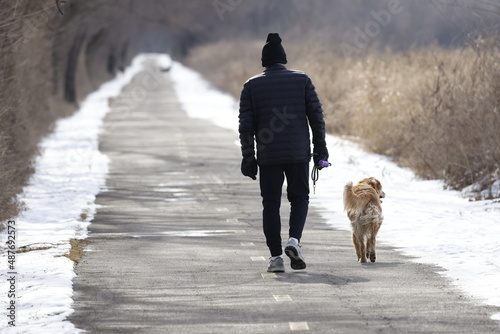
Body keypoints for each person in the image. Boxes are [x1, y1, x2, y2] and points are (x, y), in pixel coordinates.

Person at [238, 33, 328, 272]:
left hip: (269, 156)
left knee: (270, 204)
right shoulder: (303, 80)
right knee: (299, 198)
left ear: (264, 62)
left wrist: (249, 158)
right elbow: (317, 118)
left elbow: (246, 127)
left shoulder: (251, 86)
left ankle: (276, 258)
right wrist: (321, 150)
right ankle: (294, 241)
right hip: (298, 153)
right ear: (283, 60)